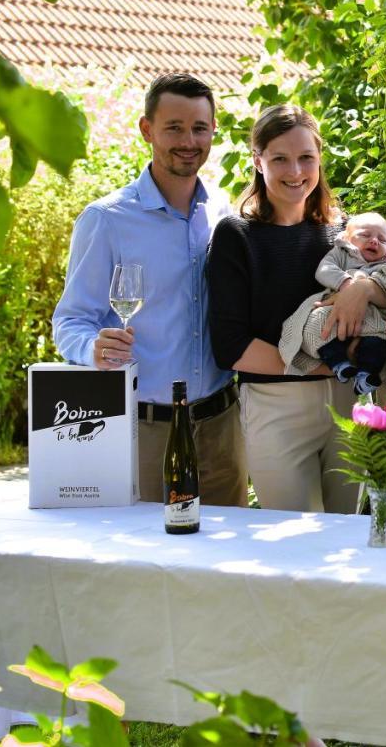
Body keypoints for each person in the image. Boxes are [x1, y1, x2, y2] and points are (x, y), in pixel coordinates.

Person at [53, 73, 247, 506]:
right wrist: (92, 348)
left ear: (213, 130)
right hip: (143, 431)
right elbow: (69, 321)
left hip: (221, 430)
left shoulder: (223, 212)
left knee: (227, 568)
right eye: (173, 127)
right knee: (143, 566)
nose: (188, 140)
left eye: (199, 128)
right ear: (147, 130)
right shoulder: (106, 220)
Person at [208, 104, 386, 513]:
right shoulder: (236, 235)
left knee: (347, 539)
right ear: (258, 161)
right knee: (293, 543)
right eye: (280, 159)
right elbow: (231, 346)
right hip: (276, 406)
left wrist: (361, 285)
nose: (296, 170)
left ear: (320, 159)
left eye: (306, 157)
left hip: (348, 401)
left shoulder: (342, 233)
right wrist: (324, 366)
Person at [278, 212, 386, 397]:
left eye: (382, 240)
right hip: (338, 309)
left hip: (374, 318)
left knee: (378, 342)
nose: (374, 241)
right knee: (316, 325)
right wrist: (347, 284)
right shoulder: (343, 252)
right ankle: (339, 364)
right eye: (365, 235)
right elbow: (324, 270)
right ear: (346, 238)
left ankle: (367, 375)